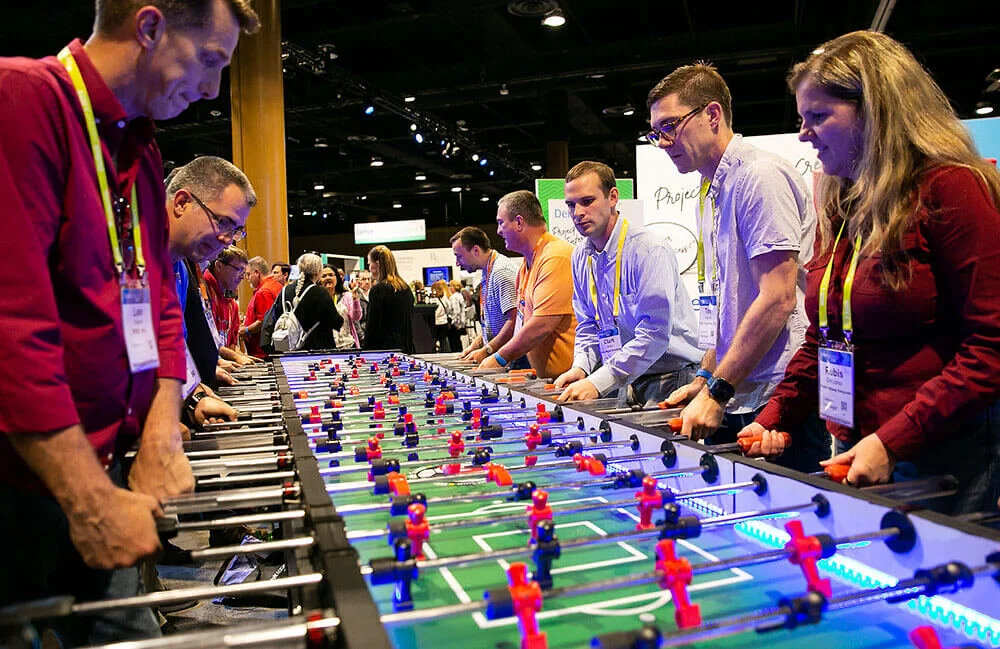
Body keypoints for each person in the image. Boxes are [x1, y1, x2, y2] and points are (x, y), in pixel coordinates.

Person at [0, 0, 259, 644]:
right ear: (149, 27)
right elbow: (12, 328)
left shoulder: (138, 148)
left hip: (102, 461)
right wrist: (87, 497)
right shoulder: (22, 100)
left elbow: (159, 306)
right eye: (210, 60)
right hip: (21, 486)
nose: (213, 89)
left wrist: (162, 433)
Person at [739, 31, 1000, 514]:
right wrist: (775, 415)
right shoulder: (843, 203)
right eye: (801, 119)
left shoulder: (953, 188)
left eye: (818, 117)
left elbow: (991, 345)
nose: (803, 134)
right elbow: (825, 337)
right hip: (856, 442)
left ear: (876, 113)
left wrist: (895, 440)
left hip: (941, 452)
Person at [646, 62, 829, 473]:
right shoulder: (711, 188)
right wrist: (704, 379)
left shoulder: (758, 177)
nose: (663, 142)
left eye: (670, 126)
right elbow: (734, 308)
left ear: (713, 115)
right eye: (656, 132)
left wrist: (716, 391)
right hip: (739, 389)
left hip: (779, 392)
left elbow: (778, 299)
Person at [554, 161, 702, 406]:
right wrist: (581, 367)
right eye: (571, 204)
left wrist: (599, 381)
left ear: (612, 197)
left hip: (671, 379)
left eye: (587, 201)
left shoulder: (648, 250)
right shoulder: (580, 256)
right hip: (624, 378)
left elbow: (655, 333)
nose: (577, 212)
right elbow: (588, 325)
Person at [166, 156, 256, 391]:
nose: (227, 240)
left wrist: (194, 393)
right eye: (223, 221)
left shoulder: (180, 268)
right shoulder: (131, 256)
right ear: (182, 203)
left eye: (235, 231)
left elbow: (174, 350)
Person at [478, 191, 577, 379]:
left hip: (573, 380)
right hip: (549, 380)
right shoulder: (526, 264)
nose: (498, 231)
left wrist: (499, 358)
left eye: (501, 223)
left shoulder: (555, 257)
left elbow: (542, 325)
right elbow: (522, 321)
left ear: (519, 222)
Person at [273, 254, 343, 351]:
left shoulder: (285, 290)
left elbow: (276, 315)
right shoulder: (320, 293)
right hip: (318, 349)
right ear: (318, 271)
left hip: (289, 349)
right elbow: (336, 322)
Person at [364, 245, 415, 352]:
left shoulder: (378, 290)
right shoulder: (405, 288)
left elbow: (372, 327)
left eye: (369, 263)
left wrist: (367, 351)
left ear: (377, 264)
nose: (369, 268)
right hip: (406, 347)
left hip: (385, 350)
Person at [204, 246, 247, 350]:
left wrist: (240, 356)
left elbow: (231, 345)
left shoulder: (232, 305)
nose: (242, 276)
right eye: (239, 269)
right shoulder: (203, 291)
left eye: (244, 272)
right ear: (219, 266)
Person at [242, 255, 283, 358]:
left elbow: (263, 322)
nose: (247, 278)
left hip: (262, 352)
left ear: (257, 272)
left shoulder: (264, 291)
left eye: (248, 274)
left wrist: (245, 330)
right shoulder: (276, 285)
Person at [320, 264, 362, 349]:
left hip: (348, 345)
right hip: (326, 347)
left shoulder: (346, 296)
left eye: (331, 275)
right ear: (319, 280)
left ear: (337, 278)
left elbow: (356, 317)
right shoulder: (318, 298)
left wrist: (355, 299)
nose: (328, 278)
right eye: (324, 276)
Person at [430, 279, 453, 352]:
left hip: (435, 323)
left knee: (433, 341)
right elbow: (449, 309)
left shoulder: (432, 299)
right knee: (444, 341)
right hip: (443, 322)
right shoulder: (445, 298)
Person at [448, 279, 468, 351]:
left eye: (450, 286)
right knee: (458, 341)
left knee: (455, 342)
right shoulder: (460, 295)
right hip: (461, 322)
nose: (449, 288)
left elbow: (456, 312)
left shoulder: (454, 297)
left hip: (455, 323)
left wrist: (456, 323)